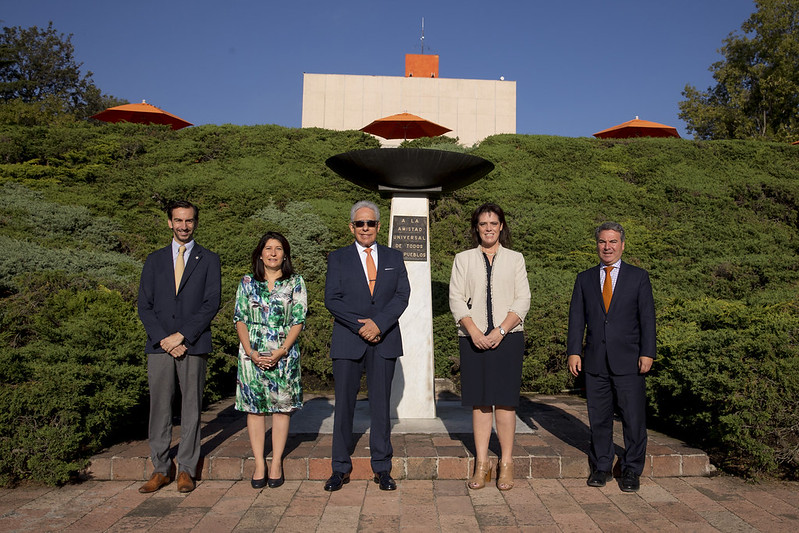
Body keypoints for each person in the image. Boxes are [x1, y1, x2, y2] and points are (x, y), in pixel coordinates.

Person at [323, 200, 410, 492]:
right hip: (349, 340)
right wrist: (361, 326)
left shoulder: (394, 257)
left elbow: (402, 295)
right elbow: (331, 299)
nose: (365, 228)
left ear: (378, 226)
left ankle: (382, 469)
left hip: (383, 340)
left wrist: (379, 324)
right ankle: (339, 469)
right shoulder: (338, 258)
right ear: (351, 226)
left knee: (381, 408)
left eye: (370, 223)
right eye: (359, 223)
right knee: (344, 407)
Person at [137, 200, 221, 493]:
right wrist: (165, 339)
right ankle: (160, 469)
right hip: (160, 346)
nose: (184, 226)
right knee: (159, 408)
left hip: (193, 344)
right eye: (178, 221)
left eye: (189, 221)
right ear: (169, 222)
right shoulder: (154, 260)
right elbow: (144, 305)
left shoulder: (209, 259)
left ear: (196, 223)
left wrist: (182, 336)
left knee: (191, 408)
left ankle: (186, 469)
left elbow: (212, 302)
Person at [567, 222, 656, 493]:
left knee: (633, 418)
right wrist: (573, 351)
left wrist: (647, 352)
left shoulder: (638, 277)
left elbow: (647, 319)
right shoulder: (584, 279)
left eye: (613, 241)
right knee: (599, 417)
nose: (607, 247)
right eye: (603, 242)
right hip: (595, 360)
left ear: (622, 245)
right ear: (597, 245)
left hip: (630, 360)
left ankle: (631, 470)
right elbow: (576, 318)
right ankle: (602, 467)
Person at [449, 202, 531, 491]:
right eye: (483, 224)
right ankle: (482, 463)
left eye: (493, 223)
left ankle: (506, 463)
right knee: (481, 402)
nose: (488, 228)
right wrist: (473, 331)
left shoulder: (515, 259)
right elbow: (456, 299)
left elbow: (523, 300)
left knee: (506, 402)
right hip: (472, 338)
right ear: (476, 228)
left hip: (507, 338)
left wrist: (500, 330)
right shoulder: (463, 259)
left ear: (501, 226)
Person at [234, 232, 307, 490]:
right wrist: (251, 352)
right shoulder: (246, 282)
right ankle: (259, 463)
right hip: (250, 353)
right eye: (268, 248)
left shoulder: (295, 282)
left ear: (285, 254)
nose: (273, 253)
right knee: (254, 409)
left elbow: (298, 320)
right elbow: (239, 319)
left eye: (278, 249)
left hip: (283, 353)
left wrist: (282, 351)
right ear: (260, 253)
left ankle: (275, 462)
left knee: (280, 408)